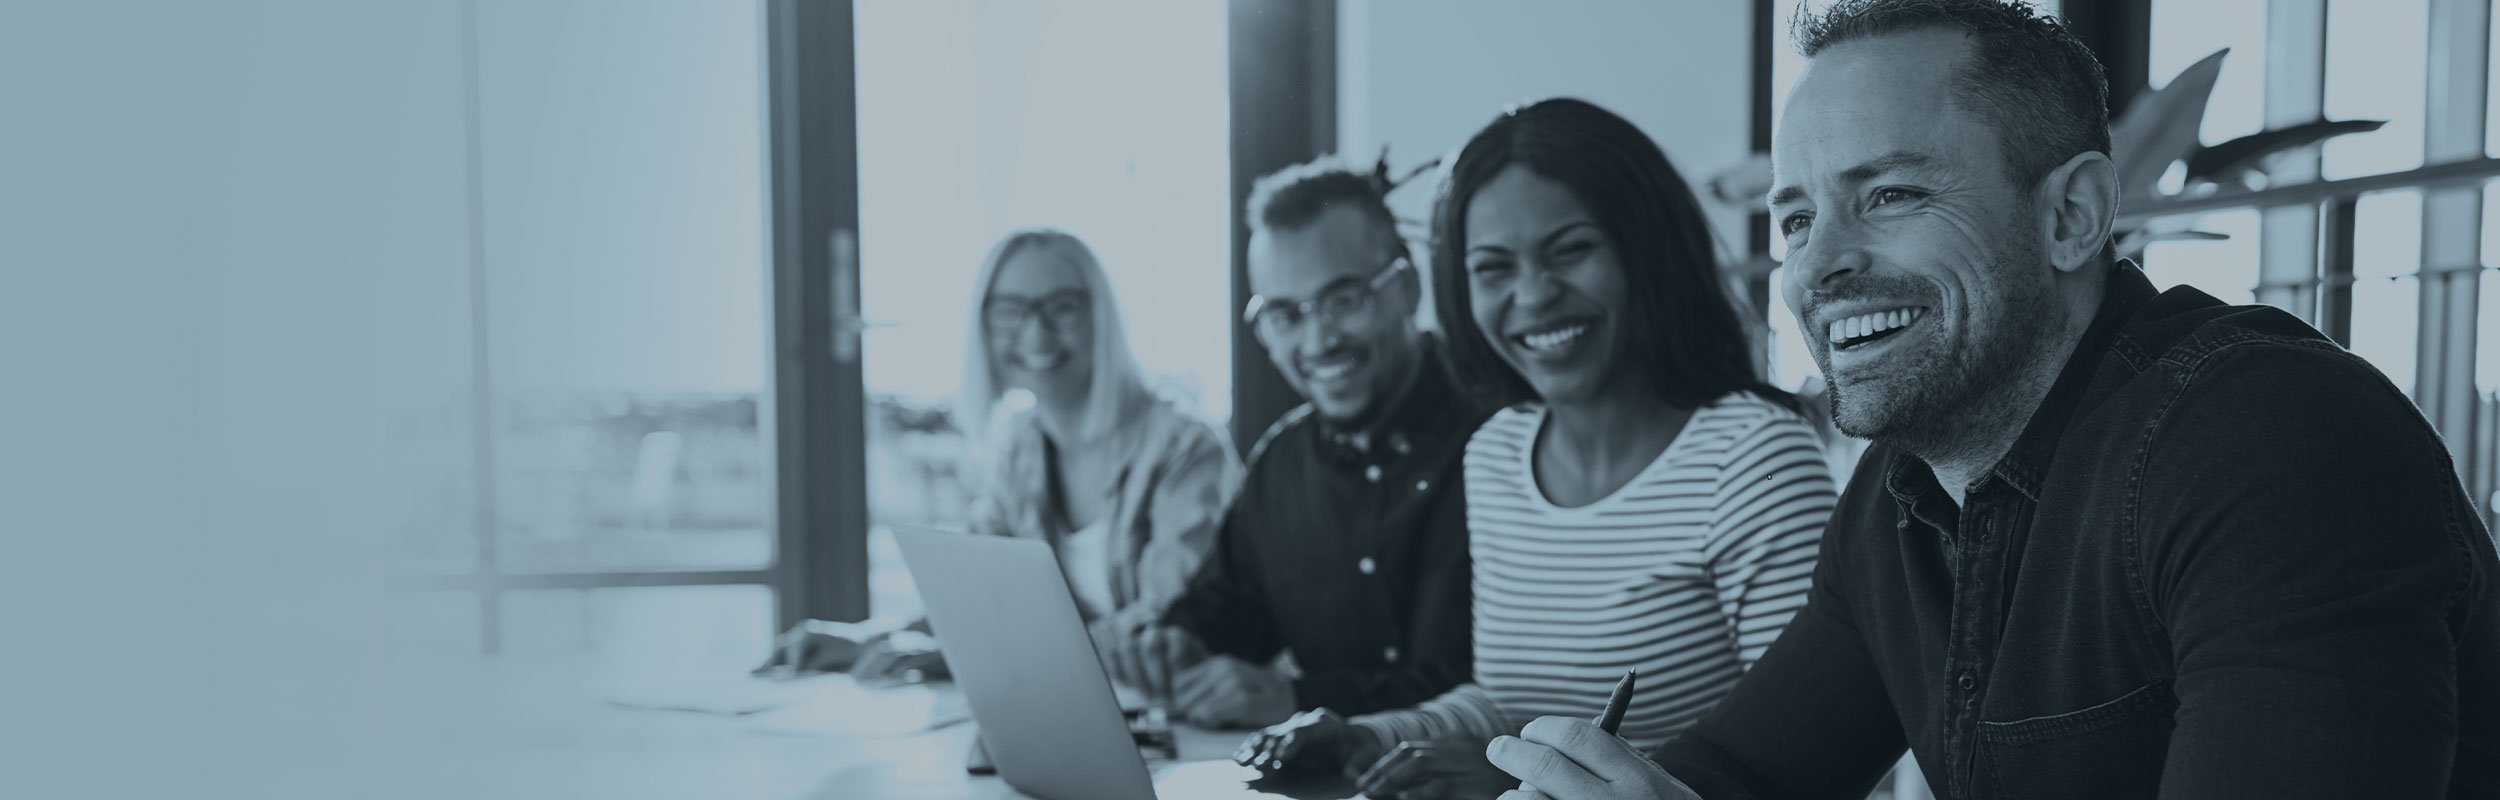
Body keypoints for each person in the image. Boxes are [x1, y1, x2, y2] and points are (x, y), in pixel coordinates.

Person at [1485, 2, 2500, 799]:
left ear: (2071, 214)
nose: (1817, 268)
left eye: (1888, 195)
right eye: (1797, 219)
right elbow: (1748, 772)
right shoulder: (1903, 490)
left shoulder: (2270, 440)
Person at [1238, 98, 1838, 800]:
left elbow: (1809, 762)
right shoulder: (1497, 452)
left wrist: (1512, 770)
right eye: (1493, 268)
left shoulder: (1754, 457)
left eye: (1570, 251)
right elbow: (1508, 703)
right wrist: (1371, 733)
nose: (1534, 294)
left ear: (1642, 249)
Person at [1096, 155, 1491, 731]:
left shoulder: (1505, 438)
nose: (1319, 340)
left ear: (1406, 288)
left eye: (1345, 300)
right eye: (1284, 315)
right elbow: (1226, 609)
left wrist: (1299, 698)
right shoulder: (1281, 463)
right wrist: (1175, 644)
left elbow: (1506, 688)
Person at [755, 228, 1238, 683]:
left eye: (1062, 307)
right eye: (1010, 310)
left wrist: (969, 657)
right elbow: (977, 597)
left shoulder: (1185, 449)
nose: (1035, 332)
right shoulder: (1021, 444)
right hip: (1068, 712)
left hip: (1180, 719)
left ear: (1102, 318)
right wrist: (871, 639)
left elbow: (1168, 626)